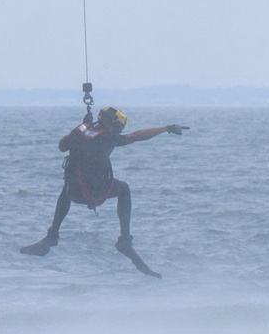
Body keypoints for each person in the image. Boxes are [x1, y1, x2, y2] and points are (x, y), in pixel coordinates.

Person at [21, 106, 188, 263]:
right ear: (111, 124)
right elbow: (136, 136)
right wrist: (166, 128)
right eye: (118, 128)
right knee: (124, 189)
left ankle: (52, 235)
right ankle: (125, 240)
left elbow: (62, 146)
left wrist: (83, 125)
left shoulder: (80, 130)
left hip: (74, 192)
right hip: (94, 192)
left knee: (67, 188)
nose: (118, 132)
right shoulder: (107, 137)